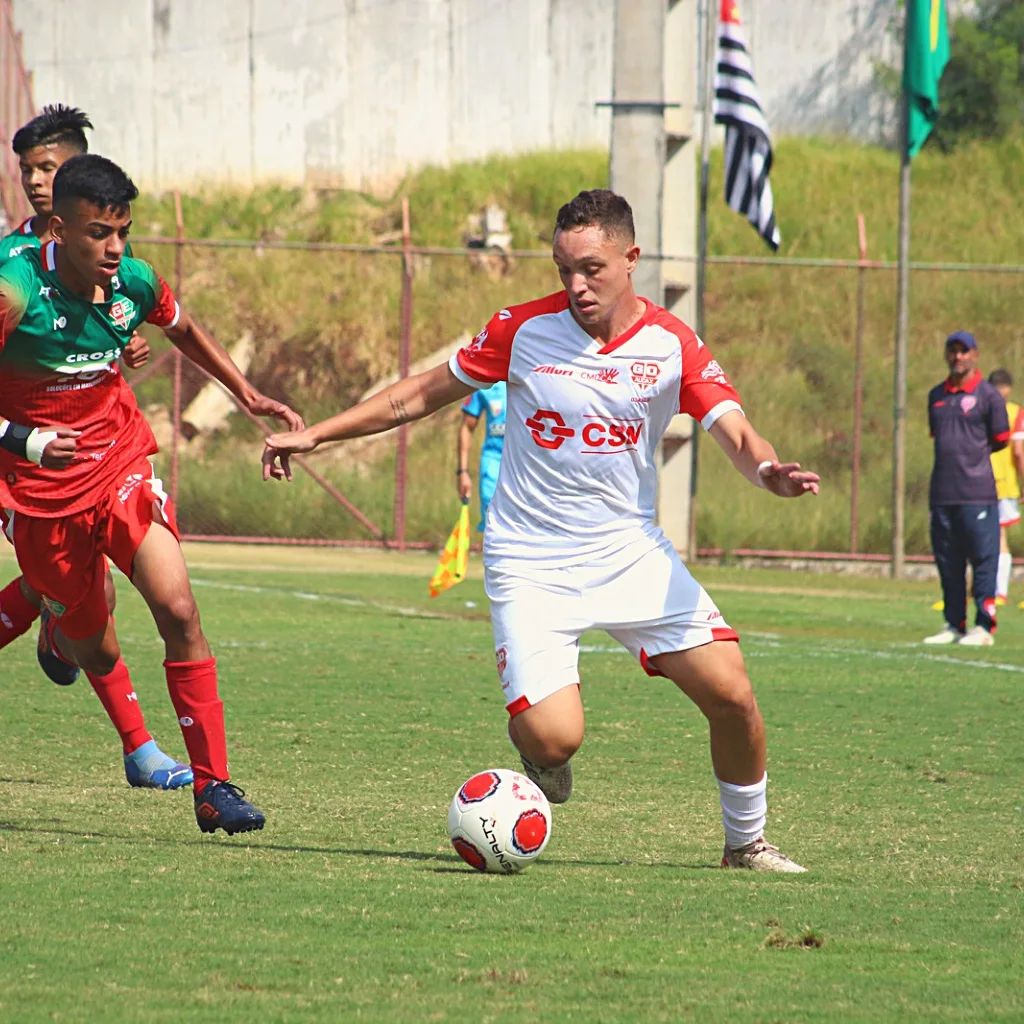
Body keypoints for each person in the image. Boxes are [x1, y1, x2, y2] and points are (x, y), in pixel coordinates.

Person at [263, 189, 820, 872]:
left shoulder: (671, 345)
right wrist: (317, 434)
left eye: (593, 269)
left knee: (733, 693)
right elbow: (421, 393)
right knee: (555, 742)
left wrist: (766, 471)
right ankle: (536, 748)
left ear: (631, 258)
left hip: (629, 554)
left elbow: (733, 428)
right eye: (564, 270)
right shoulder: (521, 330)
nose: (577, 286)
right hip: (531, 560)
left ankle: (747, 844)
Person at [0, 153, 303, 833]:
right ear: (56, 230)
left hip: (119, 466)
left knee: (178, 605)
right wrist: (23, 440)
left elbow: (183, 327)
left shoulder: (133, 279)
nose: (115, 249)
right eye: (98, 234)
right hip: (41, 496)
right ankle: (59, 624)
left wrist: (247, 394)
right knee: (96, 647)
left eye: (123, 232)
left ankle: (214, 786)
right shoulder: (14, 292)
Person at [0, 106, 189, 789]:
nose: (36, 181)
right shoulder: (15, 263)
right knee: (79, 598)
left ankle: (139, 748)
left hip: (95, 455)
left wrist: (123, 339)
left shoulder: (100, 240)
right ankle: (134, 737)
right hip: (21, 464)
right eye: (27, 170)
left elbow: (114, 314)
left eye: (49, 167)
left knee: (93, 595)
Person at [923, 331, 1008, 647]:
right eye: (952, 351)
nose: (958, 357)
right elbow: (938, 437)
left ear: (975, 354)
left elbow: (999, 440)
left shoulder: (989, 396)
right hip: (943, 494)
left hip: (978, 494)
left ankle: (983, 627)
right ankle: (953, 624)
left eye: (964, 351)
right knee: (949, 563)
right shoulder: (936, 396)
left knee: (983, 560)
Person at [986, 369, 1024, 605]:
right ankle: (999, 592)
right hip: (1004, 484)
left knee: (978, 538)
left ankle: (983, 591)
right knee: (999, 538)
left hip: (977, 483)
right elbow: (1019, 452)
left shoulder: (981, 409)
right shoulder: (1015, 412)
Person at [457, 380, 506, 530]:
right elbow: (467, 426)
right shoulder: (488, 381)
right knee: (492, 521)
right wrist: (462, 472)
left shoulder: (534, 376)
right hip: (493, 460)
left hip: (526, 463)